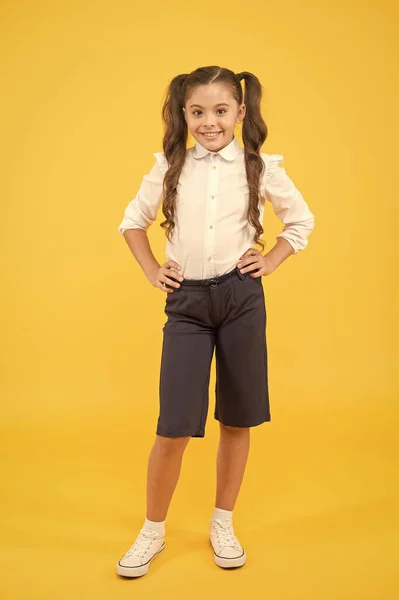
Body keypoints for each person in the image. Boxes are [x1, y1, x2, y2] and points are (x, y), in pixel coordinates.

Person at [115, 65, 315, 578]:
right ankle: (153, 529)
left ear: (240, 113)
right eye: (197, 112)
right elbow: (132, 223)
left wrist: (271, 260)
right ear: (185, 114)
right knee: (174, 424)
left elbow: (301, 220)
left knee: (238, 416)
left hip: (241, 299)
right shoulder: (169, 167)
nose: (209, 122)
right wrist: (152, 268)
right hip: (187, 305)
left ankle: (222, 521)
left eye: (220, 111)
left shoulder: (260, 167)